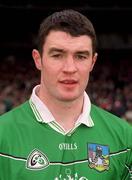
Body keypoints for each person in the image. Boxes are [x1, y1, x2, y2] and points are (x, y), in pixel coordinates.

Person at [0, 9, 132, 180]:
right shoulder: (3, 135)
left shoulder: (124, 136)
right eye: (57, 55)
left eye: (81, 56)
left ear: (93, 62)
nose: (70, 68)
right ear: (38, 59)